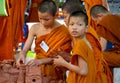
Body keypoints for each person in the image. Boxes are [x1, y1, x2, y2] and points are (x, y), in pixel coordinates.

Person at [16, 0, 72, 82]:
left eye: (46, 19)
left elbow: (63, 56)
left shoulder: (64, 32)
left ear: (55, 16)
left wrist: (41, 61)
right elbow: (26, 48)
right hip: (37, 69)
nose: (43, 22)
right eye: (40, 18)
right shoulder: (35, 28)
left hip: (55, 70)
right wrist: (22, 54)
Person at [53, 10, 112, 83]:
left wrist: (63, 63)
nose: (74, 27)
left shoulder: (81, 44)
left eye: (79, 25)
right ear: (68, 27)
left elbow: (83, 71)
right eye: (71, 24)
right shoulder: (84, 42)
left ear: (86, 28)